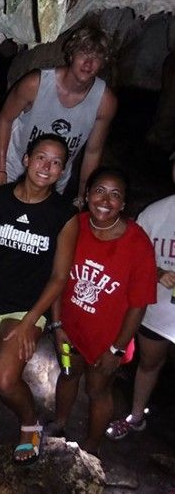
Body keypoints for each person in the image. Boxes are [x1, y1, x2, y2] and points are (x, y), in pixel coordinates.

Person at [0, 134, 78, 465]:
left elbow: (59, 277)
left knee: (4, 376)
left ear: (62, 171)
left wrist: (31, 323)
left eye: (56, 162)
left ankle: (31, 423)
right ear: (27, 159)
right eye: (41, 157)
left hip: (28, 307)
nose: (47, 166)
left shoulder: (63, 215)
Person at [48, 168, 157, 455]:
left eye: (115, 194)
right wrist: (57, 326)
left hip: (108, 338)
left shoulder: (137, 243)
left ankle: (91, 448)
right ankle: (58, 424)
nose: (105, 200)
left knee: (98, 390)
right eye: (99, 191)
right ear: (86, 195)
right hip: (70, 328)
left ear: (123, 204)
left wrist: (117, 349)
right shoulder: (74, 225)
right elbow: (58, 279)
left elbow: (139, 304)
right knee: (68, 374)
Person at [0, 26, 117, 203]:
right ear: (71, 54)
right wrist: (0, 169)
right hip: (14, 167)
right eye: (83, 53)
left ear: (103, 62)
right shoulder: (35, 83)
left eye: (96, 58)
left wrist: (83, 196)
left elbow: (92, 152)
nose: (88, 63)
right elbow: (5, 119)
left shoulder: (105, 101)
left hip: (54, 176)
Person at [105, 153, 175, 440]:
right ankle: (135, 416)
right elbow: (131, 257)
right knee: (149, 363)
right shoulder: (155, 213)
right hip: (157, 312)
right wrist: (158, 271)